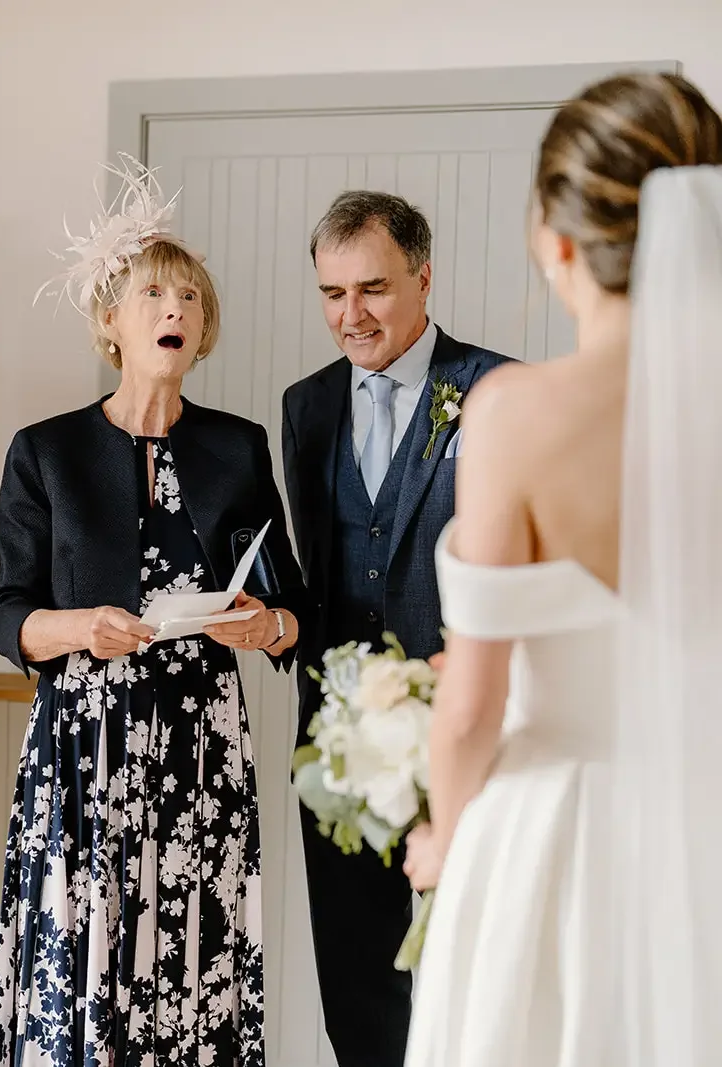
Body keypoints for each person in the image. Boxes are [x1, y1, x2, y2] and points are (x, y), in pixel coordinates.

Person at [401, 71, 722, 1066]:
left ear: (557, 240)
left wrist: (444, 847)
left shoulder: (515, 412)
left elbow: (470, 705)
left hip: (554, 843)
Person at [0, 156, 305, 1067]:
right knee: (86, 950)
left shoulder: (238, 447)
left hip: (202, 744)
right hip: (85, 746)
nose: (176, 310)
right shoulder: (44, 451)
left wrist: (264, 623)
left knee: (192, 949)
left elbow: (288, 606)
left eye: (191, 300)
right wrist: (82, 627)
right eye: (154, 294)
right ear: (112, 322)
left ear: (203, 331)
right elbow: (7, 610)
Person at [279, 192, 511, 1067]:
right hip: (345, 741)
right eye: (332, 293)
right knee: (358, 977)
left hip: (473, 725)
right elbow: (321, 576)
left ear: (423, 276)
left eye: (372, 288)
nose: (352, 315)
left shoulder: (494, 390)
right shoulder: (304, 408)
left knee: (478, 967)